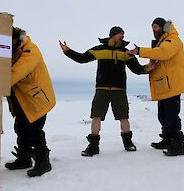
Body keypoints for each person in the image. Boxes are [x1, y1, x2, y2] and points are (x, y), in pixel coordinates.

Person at [59, 26, 152, 156]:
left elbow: (137, 69)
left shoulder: (125, 52)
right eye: (121, 34)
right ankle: (93, 146)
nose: (123, 37)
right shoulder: (99, 49)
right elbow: (81, 58)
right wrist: (67, 51)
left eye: (123, 35)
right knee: (96, 116)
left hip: (119, 90)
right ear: (113, 35)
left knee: (124, 117)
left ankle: (128, 143)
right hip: (101, 89)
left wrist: (147, 68)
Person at [127, 18, 184, 156]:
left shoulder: (173, 40)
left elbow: (163, 53)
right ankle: (168, 139)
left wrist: (139, 51)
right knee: (163, 116)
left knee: (171, 116)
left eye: (156, 27)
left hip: (172, 84)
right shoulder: (162, 41)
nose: (153, 30)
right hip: (164, 84)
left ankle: (177, 144)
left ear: (163, 27)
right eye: (152, 27)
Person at [5, 27, 56, 177]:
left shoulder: (30, 50)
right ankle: (24, 159)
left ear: (16, 39)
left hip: (37, 99)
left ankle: (43, 162)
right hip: (22, 99)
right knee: (20, 128)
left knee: (34, 130)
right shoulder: (14, 51)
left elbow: (17, 72)